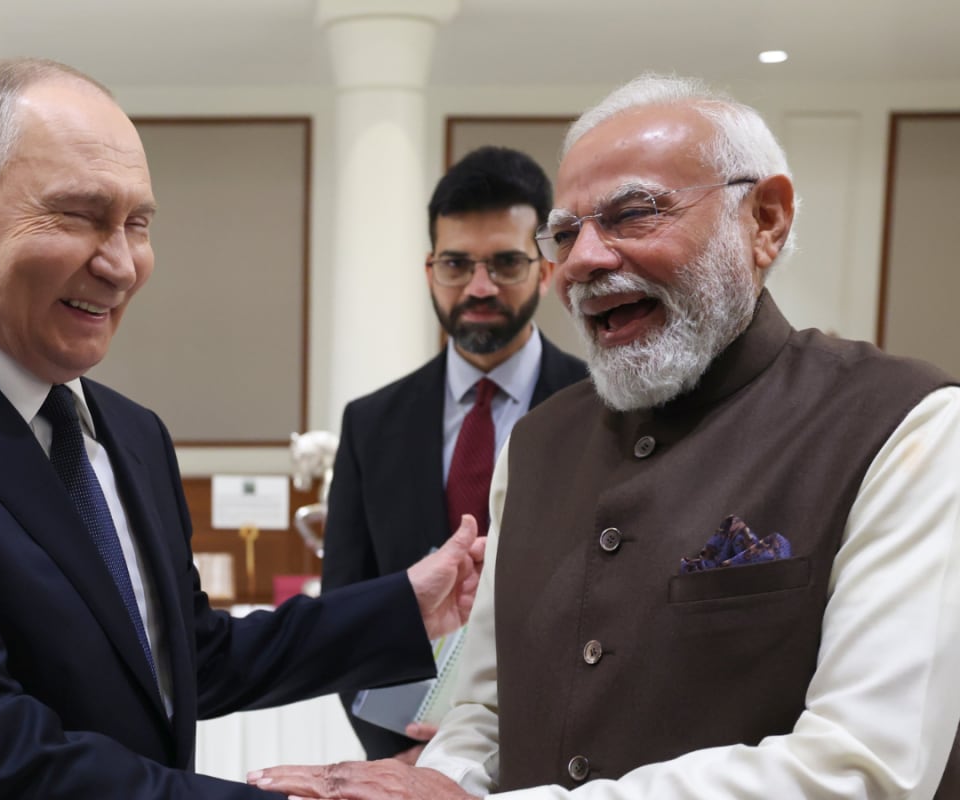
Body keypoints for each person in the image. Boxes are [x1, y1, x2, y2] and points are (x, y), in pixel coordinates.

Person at [0, 57, 485, 800]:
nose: (121, 265)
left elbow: (185, 658)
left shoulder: (132, 436)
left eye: (137, 224)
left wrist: (407, 605)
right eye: (78, 215)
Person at [248, 73, 960, 799]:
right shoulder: (536, 445)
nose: (583, 260)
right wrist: (435, 781)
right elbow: (486, 713)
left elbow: (863, 766)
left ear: (766, 220)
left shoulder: (903, 425)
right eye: (566, 234)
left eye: (633, 214)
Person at [321, 146, 586, 762]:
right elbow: (345, 608)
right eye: (456, 264)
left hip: (561, 757)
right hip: (406, 756)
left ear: (546, 270)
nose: (479, 287)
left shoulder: (604, 408)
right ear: (430, 271)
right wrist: (400, 756)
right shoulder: (369, 424)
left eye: (506, 263)